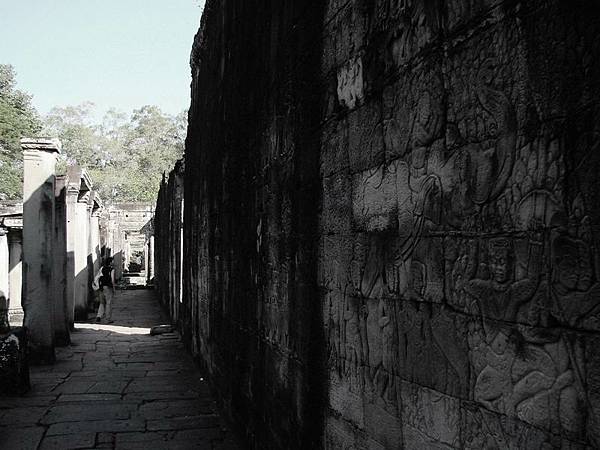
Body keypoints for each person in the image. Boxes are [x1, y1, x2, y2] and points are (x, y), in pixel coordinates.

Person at [96, 257, 116, 323]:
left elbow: (98, 277)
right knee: (108, 303)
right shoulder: (112, 269)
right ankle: (108, 319)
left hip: (101, 287)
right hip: (108, 287)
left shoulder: (102, 268)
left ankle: (98, 316)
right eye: (112, 261)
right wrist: (114, 288)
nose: (113, 262)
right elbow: (112, 280)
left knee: (102, 303)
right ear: (110, 262)